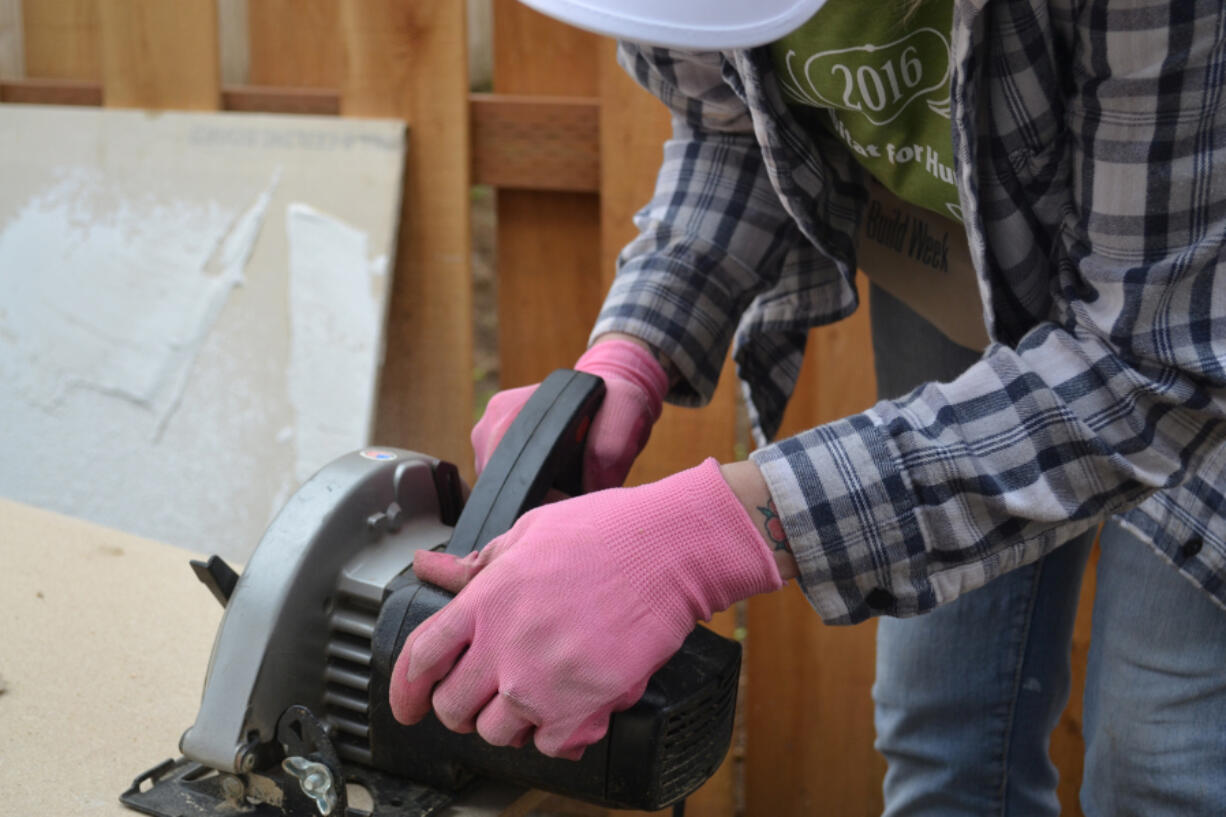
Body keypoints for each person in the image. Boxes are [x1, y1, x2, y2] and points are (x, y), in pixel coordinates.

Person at [389, 0, 1226, 813]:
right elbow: (735, 132)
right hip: (967, 259)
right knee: (943, 725)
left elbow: (1151, 366)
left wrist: (708, 535)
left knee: (1156, 759)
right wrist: (634, 349)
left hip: (1197, 304)